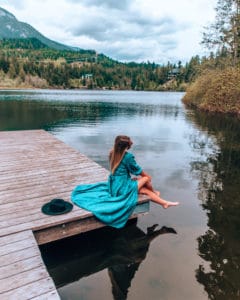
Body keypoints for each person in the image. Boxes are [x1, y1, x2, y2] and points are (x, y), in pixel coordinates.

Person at [71, 135, 179, 228]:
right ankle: (157, 194)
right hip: (123, 187)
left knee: (145, 190)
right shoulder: (128, 157)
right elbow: (139, 171)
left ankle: (164, 203)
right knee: (146, 178)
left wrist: (132, 179)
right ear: (127, 146)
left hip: (114, 186)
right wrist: (145, 177)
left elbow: (122, 170)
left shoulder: (112, 152)